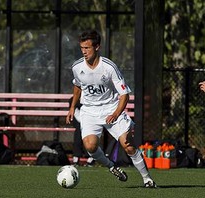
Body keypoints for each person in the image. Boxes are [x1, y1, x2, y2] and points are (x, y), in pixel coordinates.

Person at [66, 30, 157, 188]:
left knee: (128, 144)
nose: (84, 52)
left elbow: (124, 95)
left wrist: (116, 113)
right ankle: (111, 166)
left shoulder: (109, 67)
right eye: (82, 48)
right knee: (90, 146)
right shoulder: (77, 66)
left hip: (111, 108)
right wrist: (72, 107)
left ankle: (147, 178)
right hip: (89, 110)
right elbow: (77, 86)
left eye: (87, 48)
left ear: (97, 47)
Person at [69, 97, 95, 167]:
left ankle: (90, 156)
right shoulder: (74, 100)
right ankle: (77, 156)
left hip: (92, 120)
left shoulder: (92, 98)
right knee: (79, 129)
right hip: (80, 122)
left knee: (88, 130)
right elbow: (75, 112)